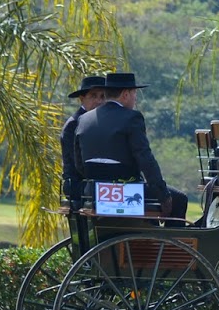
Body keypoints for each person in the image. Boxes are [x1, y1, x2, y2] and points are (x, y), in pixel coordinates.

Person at [74, 72, 189, 220]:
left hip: (93, 191)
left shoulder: (84, 119)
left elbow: (79, 163)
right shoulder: (132, 117)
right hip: (125, 191)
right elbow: (145, 159)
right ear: (126, 94)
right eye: (135, 93)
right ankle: (169, 236)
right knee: (179, 199)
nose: (136, 98)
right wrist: (163, 195)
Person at [60, 74, 107, 203]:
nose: (99, 101)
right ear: (82, 99)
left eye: (102, 96)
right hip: (79, 185)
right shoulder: (73, 125)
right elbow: (78, 164)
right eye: (93, 96)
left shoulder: (102, 123)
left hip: (98, 184)